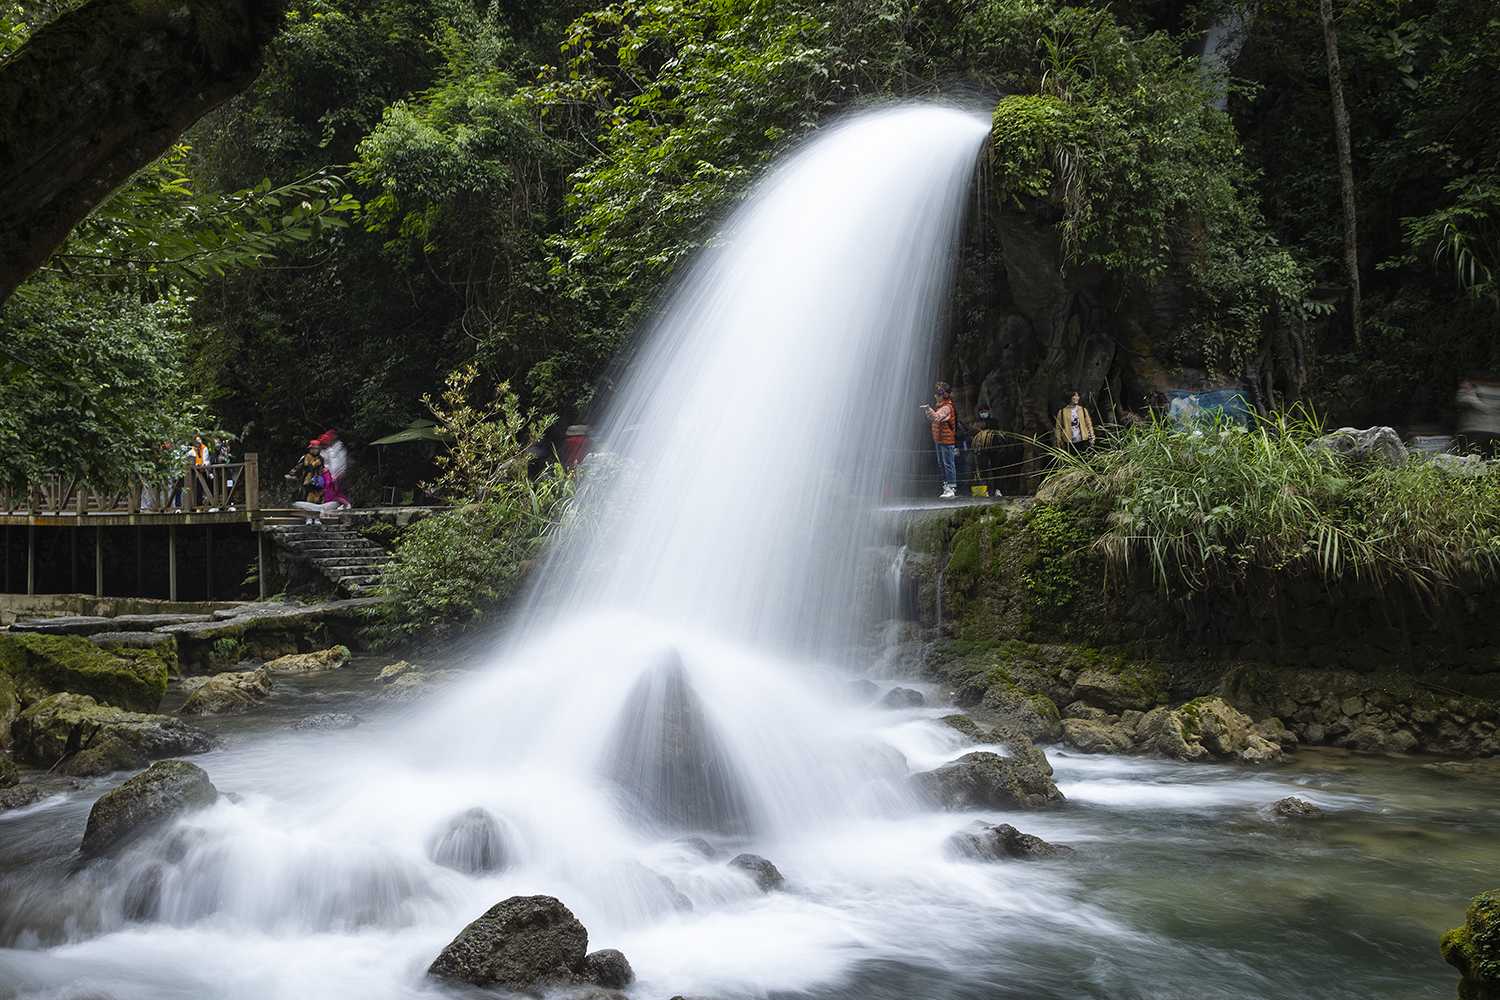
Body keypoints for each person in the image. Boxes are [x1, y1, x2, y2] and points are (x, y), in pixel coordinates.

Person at [921, 382, 959, 498]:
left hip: (946, 440)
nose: (935, 396)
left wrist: (928, 409)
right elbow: (934, 416)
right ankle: (946, 485)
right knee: (942, 464)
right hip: (939, 439)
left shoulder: (947, 407)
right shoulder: (940, 405)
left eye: (937, 394)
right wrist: (929, 410)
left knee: (948, 463)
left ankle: (951, 487)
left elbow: (937, 417)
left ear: (943, 395)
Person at [1455, 373, 1500, 459]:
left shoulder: (1475, 389)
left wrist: (1471, 394)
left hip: (1477, 431)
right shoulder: (1479, 389)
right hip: (1482, 432)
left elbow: (1462, 399)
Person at [285, 439, 327, 523]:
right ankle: (308, 518)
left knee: (318, 501)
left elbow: (328, 468)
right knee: (306, 500)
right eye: (312, 448)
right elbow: (297, 467)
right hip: (307, 482)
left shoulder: (322, 458)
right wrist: (291, 475)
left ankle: (317, 518)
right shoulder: (305, 458)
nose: (314, 450)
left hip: (318, 482)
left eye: (315, 448)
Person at [971, 411, 1004, 497]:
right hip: (982, 449)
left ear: (989, 411)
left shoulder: (993, 421)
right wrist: (977, 428)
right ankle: (985, 490)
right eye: (981, 411)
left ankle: (998, 489)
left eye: (984, 411)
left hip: (993, 448)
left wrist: (985, 426)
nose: (983, 413)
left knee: (995, 468)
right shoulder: (977, 421)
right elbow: (972, 431)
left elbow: (995, 429)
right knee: (983, 468)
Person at [317, 430, 352, 508]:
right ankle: (343, 504)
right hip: (333, 472)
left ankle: (344, 504)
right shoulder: (329, 449)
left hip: (335, 472)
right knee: (334, 491)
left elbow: (336, 462)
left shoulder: (337, 447)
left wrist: (333, 474)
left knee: (333, 491)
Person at [1053, 390, 1095, 454]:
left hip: (1083, 440)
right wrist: (1060, 441)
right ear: (1069, 397)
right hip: (1069, 442)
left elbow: (1089, 424)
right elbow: (1058, 427)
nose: (1077, 398)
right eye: (1075, 396)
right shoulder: (1062, 412)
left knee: (1085, 459)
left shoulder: (1082, 410)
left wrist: (1092, 437)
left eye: (1078, 396)